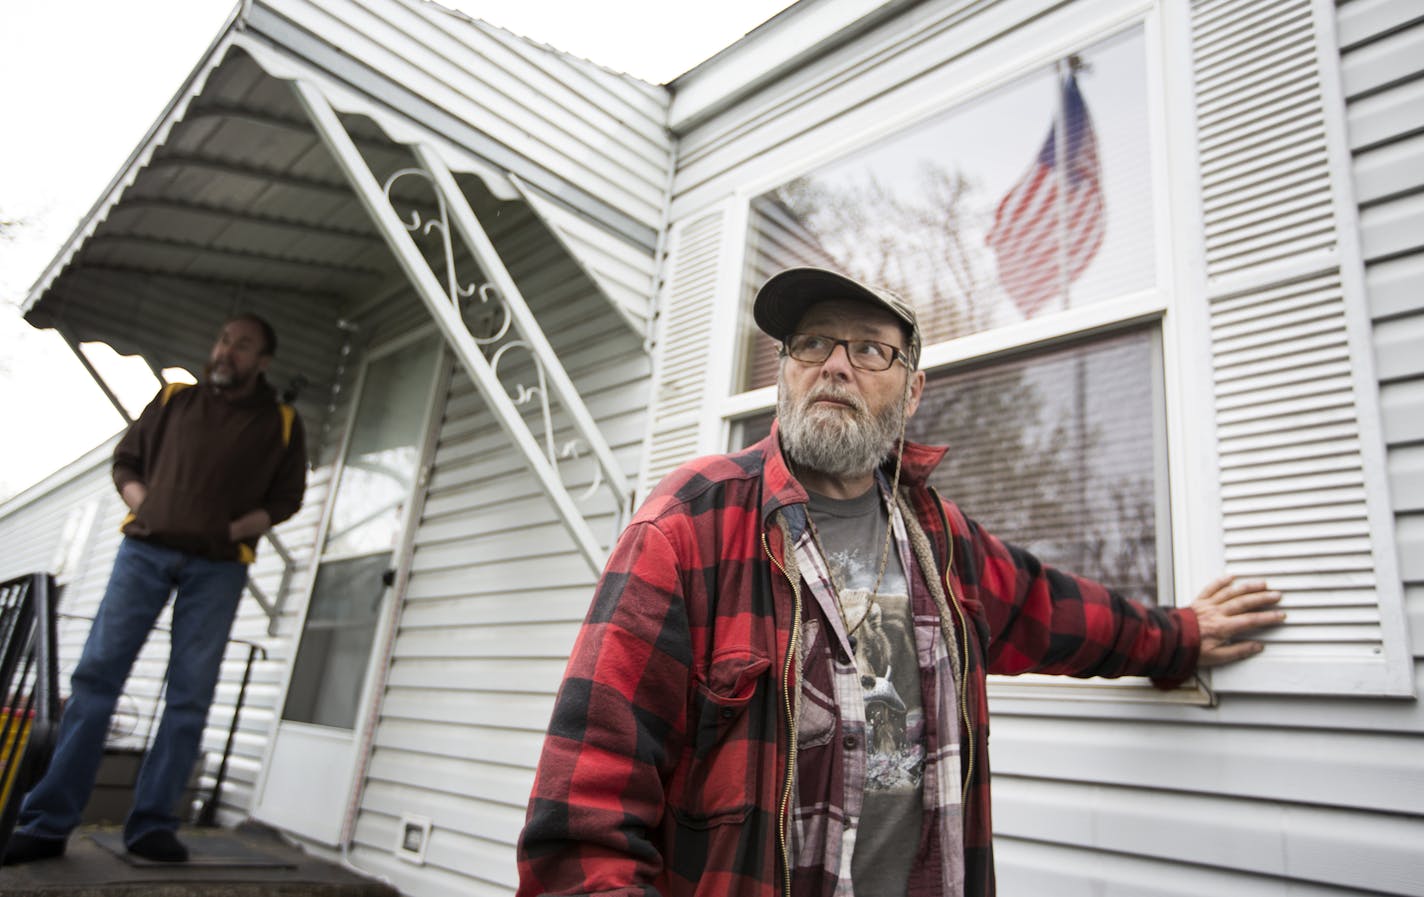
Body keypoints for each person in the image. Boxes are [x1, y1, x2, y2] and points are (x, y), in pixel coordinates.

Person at [515, 267, 1284, 897]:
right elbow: (580, 822)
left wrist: (1179, 636)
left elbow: (1058, 612)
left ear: (912, 391)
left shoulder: (939, 540)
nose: (836, 364)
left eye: (870, 350)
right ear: (783, 371)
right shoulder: (689, 525)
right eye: (811, 343)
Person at [3, 314, 307, 866]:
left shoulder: (282, 422)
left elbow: (286, 500)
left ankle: (152, 826)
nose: (226, 351)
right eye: (222, 340)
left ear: (262, 361)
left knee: (189, 696)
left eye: (242, 346)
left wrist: (230, 530)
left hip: (219, 565)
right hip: (143, 553)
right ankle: (46, 823)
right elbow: (126, 462)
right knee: (97, 679)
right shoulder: (174, 398)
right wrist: (150, 507)